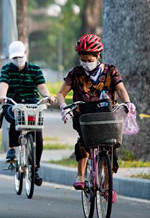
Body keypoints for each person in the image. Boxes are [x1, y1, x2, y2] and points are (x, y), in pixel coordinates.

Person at [56, 34, 135, 203]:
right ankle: (80, 176)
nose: (85, 63)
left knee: (111, 149)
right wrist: (63, 107)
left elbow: (120, 89)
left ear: (98, 55)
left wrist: (127, 103)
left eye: (89, 59)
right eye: (82, 59)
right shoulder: (75, 73)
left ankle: (107, 186)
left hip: (107, 117)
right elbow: (61, 93)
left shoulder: (110, 71)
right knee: (84, 142)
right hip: (83, 115)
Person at [0, 41, 55, 186]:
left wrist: (47, 96)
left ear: (25, 53)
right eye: (14, 58)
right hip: (13, 102)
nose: (18, 60)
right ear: (11, 57)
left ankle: (35, 168)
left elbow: (41, 86)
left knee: (38, 135)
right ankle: (12, 149)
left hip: (31, 102)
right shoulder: (7, 69)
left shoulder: (35, 69)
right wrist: (3, 96)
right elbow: (4, 83)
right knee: (16, 118)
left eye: (20, 57)